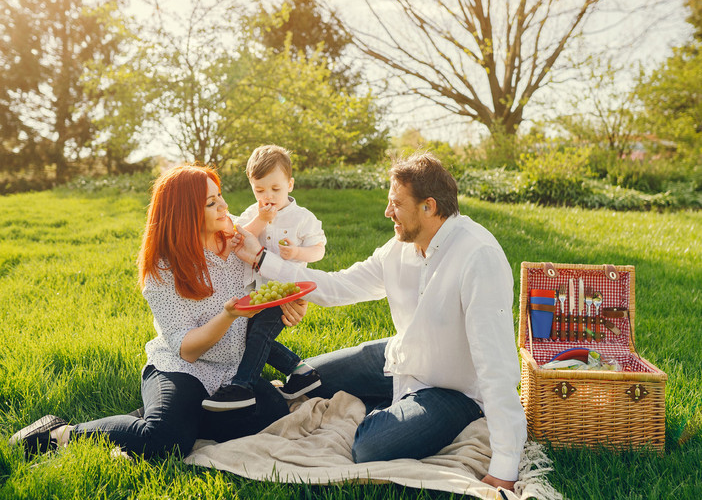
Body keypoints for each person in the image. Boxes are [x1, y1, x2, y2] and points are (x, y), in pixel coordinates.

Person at [231, 152, 527, 491]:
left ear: (428, 206)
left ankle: (399, 411)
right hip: (400, 359)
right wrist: (260, 259)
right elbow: (339, 285)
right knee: (306, 379)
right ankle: (386, 402)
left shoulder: (478, 256)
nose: (387, 213)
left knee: (370, 446)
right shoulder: (400, 248)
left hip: (452, 390)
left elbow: (497, 364)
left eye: (396, 204)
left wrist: (505, 464)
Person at [10, 164, 307, 459]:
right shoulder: (162, 272)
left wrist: (291, 307)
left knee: (272, 415)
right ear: (184, 212)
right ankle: (60, 433)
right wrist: (228, 315)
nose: (224, 206)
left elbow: (276, 285)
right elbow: (187, 350)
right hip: (182, 367)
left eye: (220, 196)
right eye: (211, 202)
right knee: (165, 440)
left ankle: (159, 413)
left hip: (232, 370)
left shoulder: (240, 242)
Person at [201, 145, 326, 411]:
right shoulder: (252, 212)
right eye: (259, 191)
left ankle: (242, 386)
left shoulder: (302, 218)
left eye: (275, 189)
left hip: (286, 291)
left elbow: (319, 249)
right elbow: (239, 237)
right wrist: (261, 218)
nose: (267, 196)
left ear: (290, 184)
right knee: (252, 333)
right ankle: (301, 371)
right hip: (258, 291)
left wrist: (298, 251)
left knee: (259, 335)